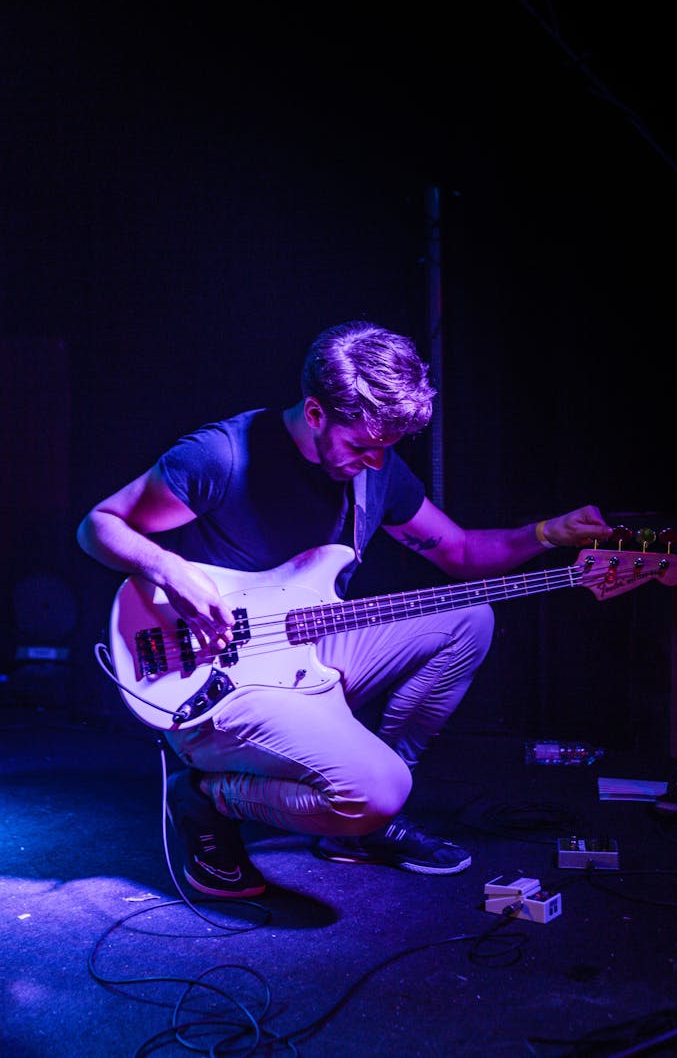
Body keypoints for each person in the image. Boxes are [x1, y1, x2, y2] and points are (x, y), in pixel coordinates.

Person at [77, 319, 612, 897]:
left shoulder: (375, 470)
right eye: (360, 445)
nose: (373, 462)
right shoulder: (220, 456)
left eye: (384, 449)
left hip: (303, 648)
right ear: (314, 414)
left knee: (469, 619)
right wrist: (167, 568)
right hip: (211, 677)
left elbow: (459, 552)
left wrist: (550, 534)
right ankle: (206, 797)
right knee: (376, 791)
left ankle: (362, 823)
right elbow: (99, 524)